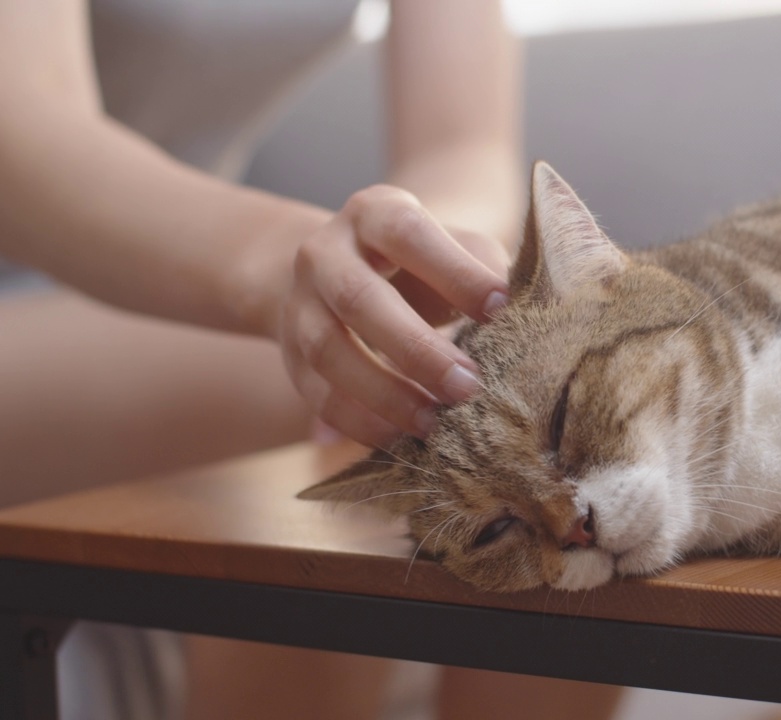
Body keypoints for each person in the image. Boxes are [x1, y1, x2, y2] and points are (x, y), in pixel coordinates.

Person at [0, 1, 623, 718]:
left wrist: (441, 258)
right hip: (44, 285)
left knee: (554, 409)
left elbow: (461, 143)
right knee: (338, 394)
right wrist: (284, 269)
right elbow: (22, 127)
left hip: (186, 295)